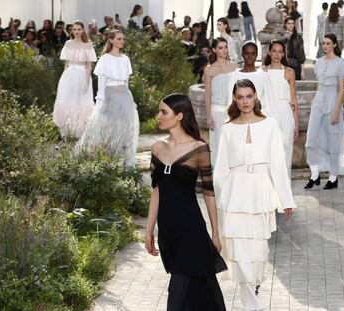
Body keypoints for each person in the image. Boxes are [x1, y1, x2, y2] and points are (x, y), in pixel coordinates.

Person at [214, 79, 296, 311]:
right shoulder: (228, 129)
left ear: (256, 96)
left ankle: (254, 291)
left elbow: (278, 166)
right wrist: (220, 205)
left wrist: (285, 199)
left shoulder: (270, 124)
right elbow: (220, 169)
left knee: (258, 250)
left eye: (249, 96)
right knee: (239, 250)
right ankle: (251, 303)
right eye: (240, 97)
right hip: (234, 194)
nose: (245, 101)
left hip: (260, 192)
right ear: (234, 99)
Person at [145, 93, 227, 311]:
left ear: (179, 116)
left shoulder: (199, 148)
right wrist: (149, 229)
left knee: (178, 292)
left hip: (191, 229)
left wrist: (215, 233)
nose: (159, 116)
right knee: (202, 288)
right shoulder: (157, 148)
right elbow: (156, 191)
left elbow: (209, 193)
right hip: (169, 231)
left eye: (164, 112)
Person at [77, 30, 139, 167]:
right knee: (108, 126)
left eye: (123, 39)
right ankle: (106, 157)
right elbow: (101, 81)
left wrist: (129, 98)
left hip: (124, 95)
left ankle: (122, 159)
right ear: (111, 40)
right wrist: (101, 99)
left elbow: (126, 82)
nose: (121, 41)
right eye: (118, 38)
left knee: (125, 127)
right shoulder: (105, 59)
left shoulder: (125, 59)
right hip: (110, 95)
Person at [305, 33, 344, 190]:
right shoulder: (318, 62)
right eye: (323, 43)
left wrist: (337, 112)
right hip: (319, 100)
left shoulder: (340, 63)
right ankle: (314, 174)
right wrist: (316, 102)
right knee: (310, 139)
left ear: (334, 45)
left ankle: (333, 177)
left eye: (328, 43)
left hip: (333, 101)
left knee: (333, 142)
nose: (325, 46)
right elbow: (318, 85)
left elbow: (341, 90)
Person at [260, 40, 299, 177]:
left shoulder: (289, 72)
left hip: (285, 112)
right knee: (269, 150)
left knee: (286, 148)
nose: (277, 54)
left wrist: (296, 123)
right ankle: (269, 185)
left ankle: (284, 185)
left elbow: (293, 98)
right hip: (268, 113)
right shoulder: (263, 71)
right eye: (274, 51)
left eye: (280, 51)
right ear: (269, 52)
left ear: (283, 54)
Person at [53, 21, 97, 139]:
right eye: (74, 29)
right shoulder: (68, 43)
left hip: (82, 75)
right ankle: (66, 132)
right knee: (67, 100)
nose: (76, 32)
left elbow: (89, 65)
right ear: (72, 31)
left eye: (79, 29)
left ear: (83, 30)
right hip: (69, 75)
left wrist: (87, 81)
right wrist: (64, 78)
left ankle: (80, 132)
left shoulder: (88, 44)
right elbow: (66, 64)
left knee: (81, 101)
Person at [203, 37, 238, 165]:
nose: (224, 50)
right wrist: (208, 117)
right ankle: (218, 178)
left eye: (225, 47)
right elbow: (207, 95)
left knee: (233, 145)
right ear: (214, 50)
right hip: (217, 112)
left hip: (233, 111)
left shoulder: (234, 67)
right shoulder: (209, 70)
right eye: (220, 48)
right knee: (218, 145)